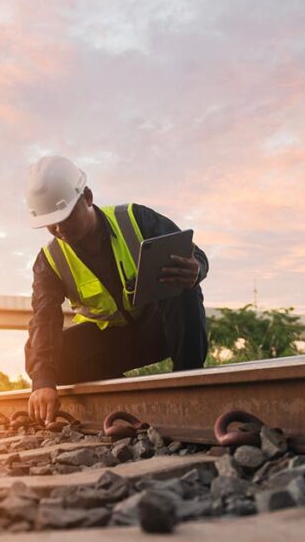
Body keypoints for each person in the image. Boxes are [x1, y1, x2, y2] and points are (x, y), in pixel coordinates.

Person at [24, 155, 209, 424]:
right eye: (51, 224)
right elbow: (44, 318)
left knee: (181, 280)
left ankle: (188, 380)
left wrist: (197, 268)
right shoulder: (49, 261)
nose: (60, 228)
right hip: (112, 344)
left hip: (161, 331)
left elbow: (193, 255)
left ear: (87, 197)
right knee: (41, 354)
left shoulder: (136, 219)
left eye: (65, 217)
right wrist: (42, 381)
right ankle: (123, 394)